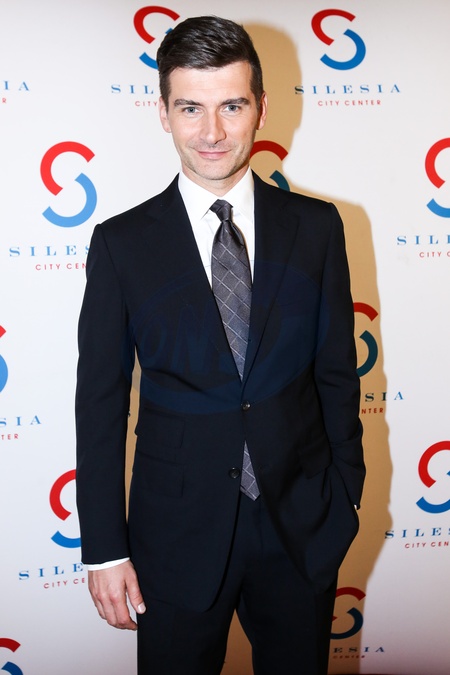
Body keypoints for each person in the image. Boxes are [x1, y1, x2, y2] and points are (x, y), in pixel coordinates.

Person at [75, 15, 365, 675]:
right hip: (174, 534)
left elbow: (337, 375)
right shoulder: (121, 244)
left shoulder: (318, 228)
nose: (211, 132)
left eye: (231, 106)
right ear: (163, 113)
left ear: (261, 107)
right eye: (191, 108)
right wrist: (105, 548)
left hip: (300, 527)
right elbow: (100, 403)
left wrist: (343, 496)